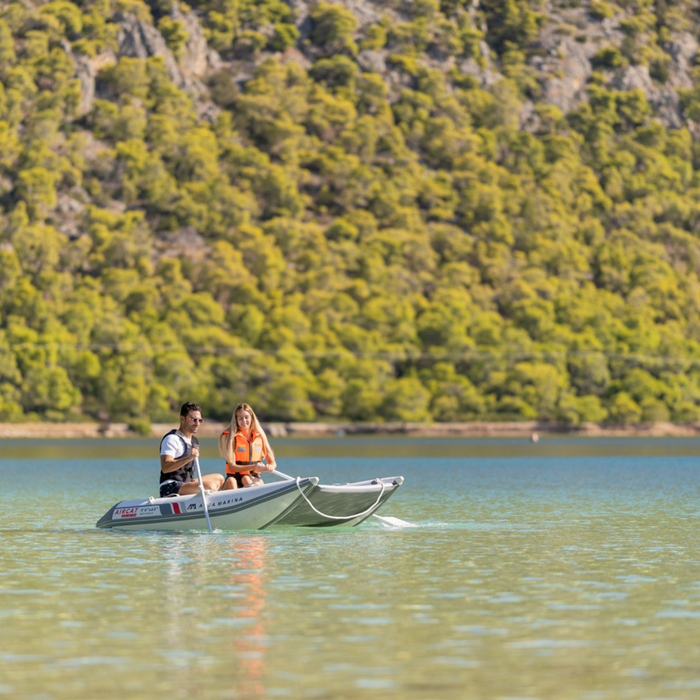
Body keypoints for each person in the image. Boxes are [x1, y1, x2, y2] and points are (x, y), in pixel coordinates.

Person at [159, 402, 224, 497]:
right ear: (182, 419)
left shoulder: (194, 441)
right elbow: (165, 468)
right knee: (210, 486)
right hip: (170, 487)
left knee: (220, 478)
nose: (197, 423)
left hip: (187, 483)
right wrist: (188, 458)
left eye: (199, 420)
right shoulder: (171, 439)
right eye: (193, 420)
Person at [219, 403, 276, 489]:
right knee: (235, 481)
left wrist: (270, 467)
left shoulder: (260, 436)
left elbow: (272, 462)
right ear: (236, 419)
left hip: (253, 476)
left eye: (246, 417)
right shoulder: (232, 438)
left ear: (252, 418)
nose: (244, 420)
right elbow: (231, 467)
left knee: (247, 479)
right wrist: (254, 466)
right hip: (235, 476)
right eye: (240, 418)